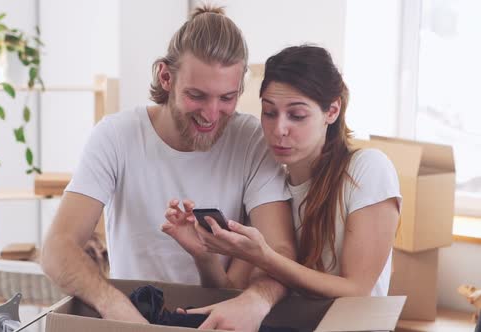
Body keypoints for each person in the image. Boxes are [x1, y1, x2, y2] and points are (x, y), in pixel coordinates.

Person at [41, 5, 296, 331]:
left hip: (226, 318)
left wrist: (256, 300)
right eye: (197, 95)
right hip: (135, 317)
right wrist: (114, 304)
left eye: (227, 98)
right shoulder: (117, 136)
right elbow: (57, 247)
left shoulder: (251, 140)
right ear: (165, 77)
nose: (212, 114)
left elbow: (281, 248)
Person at [164, 45, 401, 300]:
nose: (279, 129)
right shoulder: (270, 189)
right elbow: (230, 289)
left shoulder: (367, 170)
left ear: (331, 111)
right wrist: (204, 256)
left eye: (297, 115)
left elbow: (357, 290)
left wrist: (265, 257)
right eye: (269, 112)